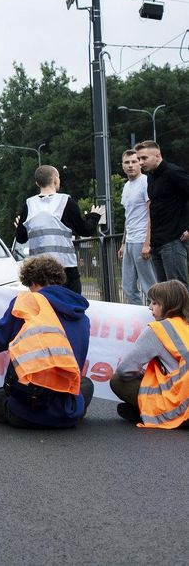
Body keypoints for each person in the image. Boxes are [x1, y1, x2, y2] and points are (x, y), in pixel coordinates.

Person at [0, 255, 94, 429]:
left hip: (26, 409)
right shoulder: (82, 315)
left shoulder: (27, 303)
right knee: (86, 383)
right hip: (68, 411)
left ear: (33, 282)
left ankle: (6, 412)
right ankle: (70, 414)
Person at [14, 164, 104, 296]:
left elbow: (21, 238)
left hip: (38, 272)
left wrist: (19, 228)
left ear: (37, 183)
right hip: (65, 269)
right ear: (55, 179)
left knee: (45, 308)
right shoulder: (66, 201)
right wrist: (94, 216)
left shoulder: (29, 205)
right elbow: (85, 230)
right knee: (70, 307)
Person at [110, 280, 189, 428]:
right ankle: (141, 412)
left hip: (180, 402)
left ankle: (157, 414)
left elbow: (124, 370)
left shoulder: (157, 330)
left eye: (154, 302)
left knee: (117, 381)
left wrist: (143, 375)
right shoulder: (185, 324)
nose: (149, 307)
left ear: (168, 304)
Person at [135, 141, 189, 285]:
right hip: (157, 242)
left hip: (174, 240)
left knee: (178, 288)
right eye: (139, 159)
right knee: (164, 291)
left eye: (144, 158)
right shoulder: (151, 178)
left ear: (158, 156)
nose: (140, 163)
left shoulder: (173, 172)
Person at [118, 149, 156, 305]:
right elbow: (128, 217)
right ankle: (140, 320)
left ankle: (160, 318)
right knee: (128, 287)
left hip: (142, 240)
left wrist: (147, 243)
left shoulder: (146, 182)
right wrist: (123, 242)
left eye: (134, 162)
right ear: (122, 165)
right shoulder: (126, 186)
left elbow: (151, 214)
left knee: (151, 287)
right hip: (130, 242)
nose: (130, 165)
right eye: (127, 162)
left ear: (140, 163)